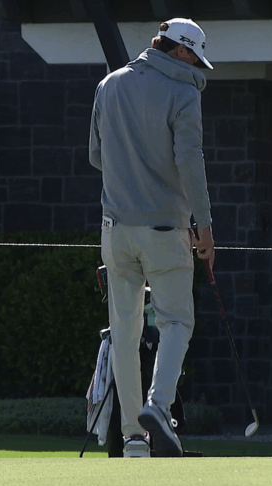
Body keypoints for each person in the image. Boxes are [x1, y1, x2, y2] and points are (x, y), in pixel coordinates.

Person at [89, 18, 215, 458]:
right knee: (177, 320)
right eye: (195, 56)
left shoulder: (109, 84)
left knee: (125, 330)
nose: (197, 65)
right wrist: (206, 228)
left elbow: (95, 155)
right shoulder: (183, 92)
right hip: (165, 228)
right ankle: (158, 406)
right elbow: (190, 161)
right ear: (180, 51)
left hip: (114, 229)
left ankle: (133, 439)